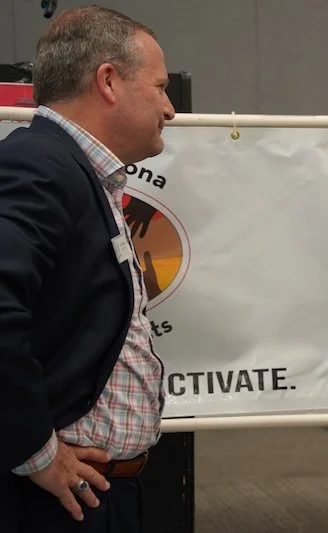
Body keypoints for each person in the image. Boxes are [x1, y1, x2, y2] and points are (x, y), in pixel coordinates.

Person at [0, 5, 175, 532]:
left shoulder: (77, 174)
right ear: (108, 81)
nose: (170, 108)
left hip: (96, 493)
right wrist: (36, 451)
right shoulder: (39, 165)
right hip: (55, 503)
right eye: (159, 87)